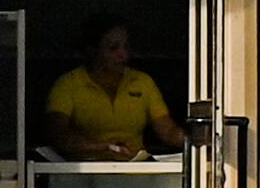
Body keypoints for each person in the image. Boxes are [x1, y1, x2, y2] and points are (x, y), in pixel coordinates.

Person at [42, 17, 185, 162]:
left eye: (126, 46)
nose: (123, 54)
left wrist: (194, 140)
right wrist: (100, 147)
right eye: (113, 48)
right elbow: (58, 134)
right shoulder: (68, 84)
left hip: (135, 167)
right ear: (92, 51)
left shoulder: (143, 82)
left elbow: (168, 131)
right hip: (84, 169)